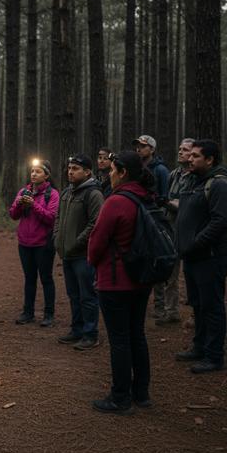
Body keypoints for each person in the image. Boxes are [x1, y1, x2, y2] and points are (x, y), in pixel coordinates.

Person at [88, 151, 155, 414]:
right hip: (142, 278)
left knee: (119, 339)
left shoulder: (116, 202)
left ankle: (120, 398)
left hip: (116, 281)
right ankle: (141, 393)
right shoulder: (145, 197)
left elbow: (97, 241)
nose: (109, 174)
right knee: (137, 334)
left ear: (123, 172)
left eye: (112, 170)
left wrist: (93, 263)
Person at [174, 140, 227, 374]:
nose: (190, 159)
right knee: (198, 305)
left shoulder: (219, 185)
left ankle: (214, 356)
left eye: (196, 156)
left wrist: (196, 243)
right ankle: (199, 347)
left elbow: (221, 221)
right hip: (192, 257)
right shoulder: (193, 181)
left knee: (212, 306)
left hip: (210, 257)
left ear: (210, 160)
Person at [53, 154, 105, 350]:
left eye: (75, 169)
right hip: (67, 254)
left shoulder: (93, 194)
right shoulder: (67, 192)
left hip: (83, 255)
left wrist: (77, 242)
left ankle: (91, 334)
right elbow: (58, 218)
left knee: (88, 296)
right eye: (69, 168)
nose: (70, 171)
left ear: (87, 172)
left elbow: (96, 223)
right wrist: (57, 238)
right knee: (73, 294)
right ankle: (77, 329)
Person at [9, 159, 60, 327]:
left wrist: (34, 206)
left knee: (46, 278)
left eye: (38, 171)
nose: (33, 174)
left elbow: (51, 218)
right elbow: (13, 215)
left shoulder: (52, 194)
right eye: (32, 171)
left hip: (43, 244)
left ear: (46, 175)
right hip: (24, 243)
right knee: (29, 278)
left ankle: (49, 314)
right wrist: (19, 203)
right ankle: (28, 312)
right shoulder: (24, 191)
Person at [154, 137, 195, 326]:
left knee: (193, 274)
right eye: (180, 149)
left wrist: (168, 203)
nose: (181, 152)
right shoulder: (174, 174)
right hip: (171, 229)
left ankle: (196, 313)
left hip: (191, 232)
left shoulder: (196, 176)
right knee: (171, 273)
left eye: (186, 150)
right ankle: (171, 311)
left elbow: (189, 205)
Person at [132, 135, 170, 200]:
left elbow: (165, 197)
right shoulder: (135, 168)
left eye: (143, 146)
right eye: (137, 147)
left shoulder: (161, 170)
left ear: (152, 150)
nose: (138, 150)